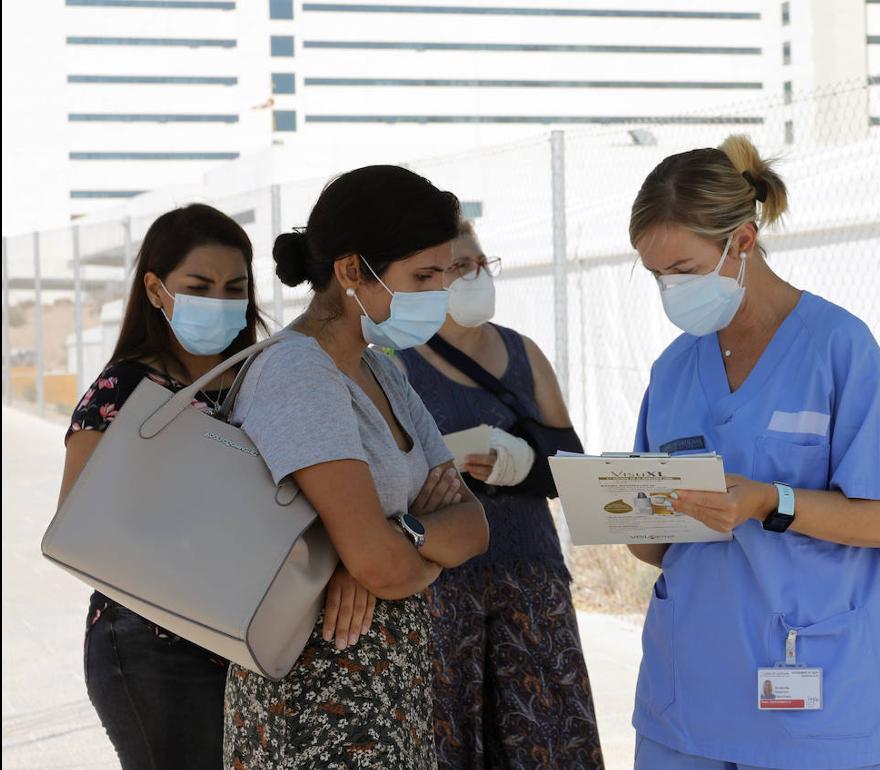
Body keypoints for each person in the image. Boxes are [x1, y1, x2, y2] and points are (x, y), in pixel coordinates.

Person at [627, 135, 880, 770]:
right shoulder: (674, 370)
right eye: (656, 275)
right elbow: (653, 545)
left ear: (741, 241)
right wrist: (629, 509)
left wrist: (772, 501)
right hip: (687, 708)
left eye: (682, 272)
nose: (668, 291)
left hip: (815, 700)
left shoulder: (837, 348)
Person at [223, 165, 489, 769]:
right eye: (422, 276)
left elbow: (475, 524)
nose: (437, 294)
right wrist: (391, 552)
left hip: (387, 690)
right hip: (319, 704)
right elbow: (381, 566)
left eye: (441, 275)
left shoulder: (382, 369)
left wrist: (399, 538)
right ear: (350, 271)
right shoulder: (299, 373)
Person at [57, 204, 269, 770]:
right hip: (152, 647)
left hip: (254, 639)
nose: (221, 303)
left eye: (235, 288)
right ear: (155, 289)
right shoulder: (125, 387)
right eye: (199, 286)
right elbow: (78, 526)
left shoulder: (265, 376)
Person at [394, 220, 604, 770]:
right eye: (456, 267)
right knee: (449, 735)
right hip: (444, 580)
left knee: (551, 735)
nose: (472, 276)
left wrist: (527, 465)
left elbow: (571, 466)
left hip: (531, 574)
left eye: (479, 264)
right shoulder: (394, 362)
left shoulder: (523, 352)